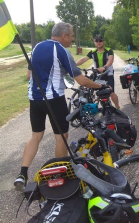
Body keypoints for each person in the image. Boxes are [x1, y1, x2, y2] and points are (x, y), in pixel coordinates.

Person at [14, 22, 106, 191]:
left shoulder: (37, 47)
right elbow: (81, 80)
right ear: (64, 36)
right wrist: (102, 87)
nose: (71, 39)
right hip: (54, 99)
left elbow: (29, 75)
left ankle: (22, 174)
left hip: (34, 99)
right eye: (71, 36)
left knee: (36, 136)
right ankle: (60, 174)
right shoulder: (62, 51)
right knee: (61, 136)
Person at [76, 35, 120, 109]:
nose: (98, 42)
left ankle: (117, 106)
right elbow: (84, 59)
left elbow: (110, 60)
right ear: (94, 42)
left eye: (100, 40)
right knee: (94, 89)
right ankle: (97, 104)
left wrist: (104, 67)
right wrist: (74, 65)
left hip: (108, 74)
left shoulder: (109, 50)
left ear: (103, 42)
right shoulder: (93, 52)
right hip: (98, 75)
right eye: (96, 41)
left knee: (111, 92)